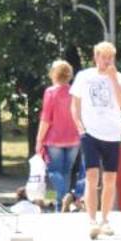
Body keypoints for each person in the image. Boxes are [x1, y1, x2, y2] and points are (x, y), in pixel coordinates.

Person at [69, 42, 121, 238]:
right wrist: (80, 126)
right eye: (103, 57)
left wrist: (114, 80)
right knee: (92, 176)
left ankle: (105, 220)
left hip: (112, 133)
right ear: (95, 57)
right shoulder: (84, 76)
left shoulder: (119, 77)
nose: (107, 61)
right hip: (90, 133)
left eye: (110, 57)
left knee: (110, 178)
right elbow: (75, 104)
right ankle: (91, 220)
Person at [38, 59, 80, 212]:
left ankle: (63, 197)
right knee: (66, 172)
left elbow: (46, 118)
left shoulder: (50, 92)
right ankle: (59, 206)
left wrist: (39, 139)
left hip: (54, 139)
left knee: (54, 171)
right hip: (74, 139)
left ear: (54, 74)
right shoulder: (75, 91)